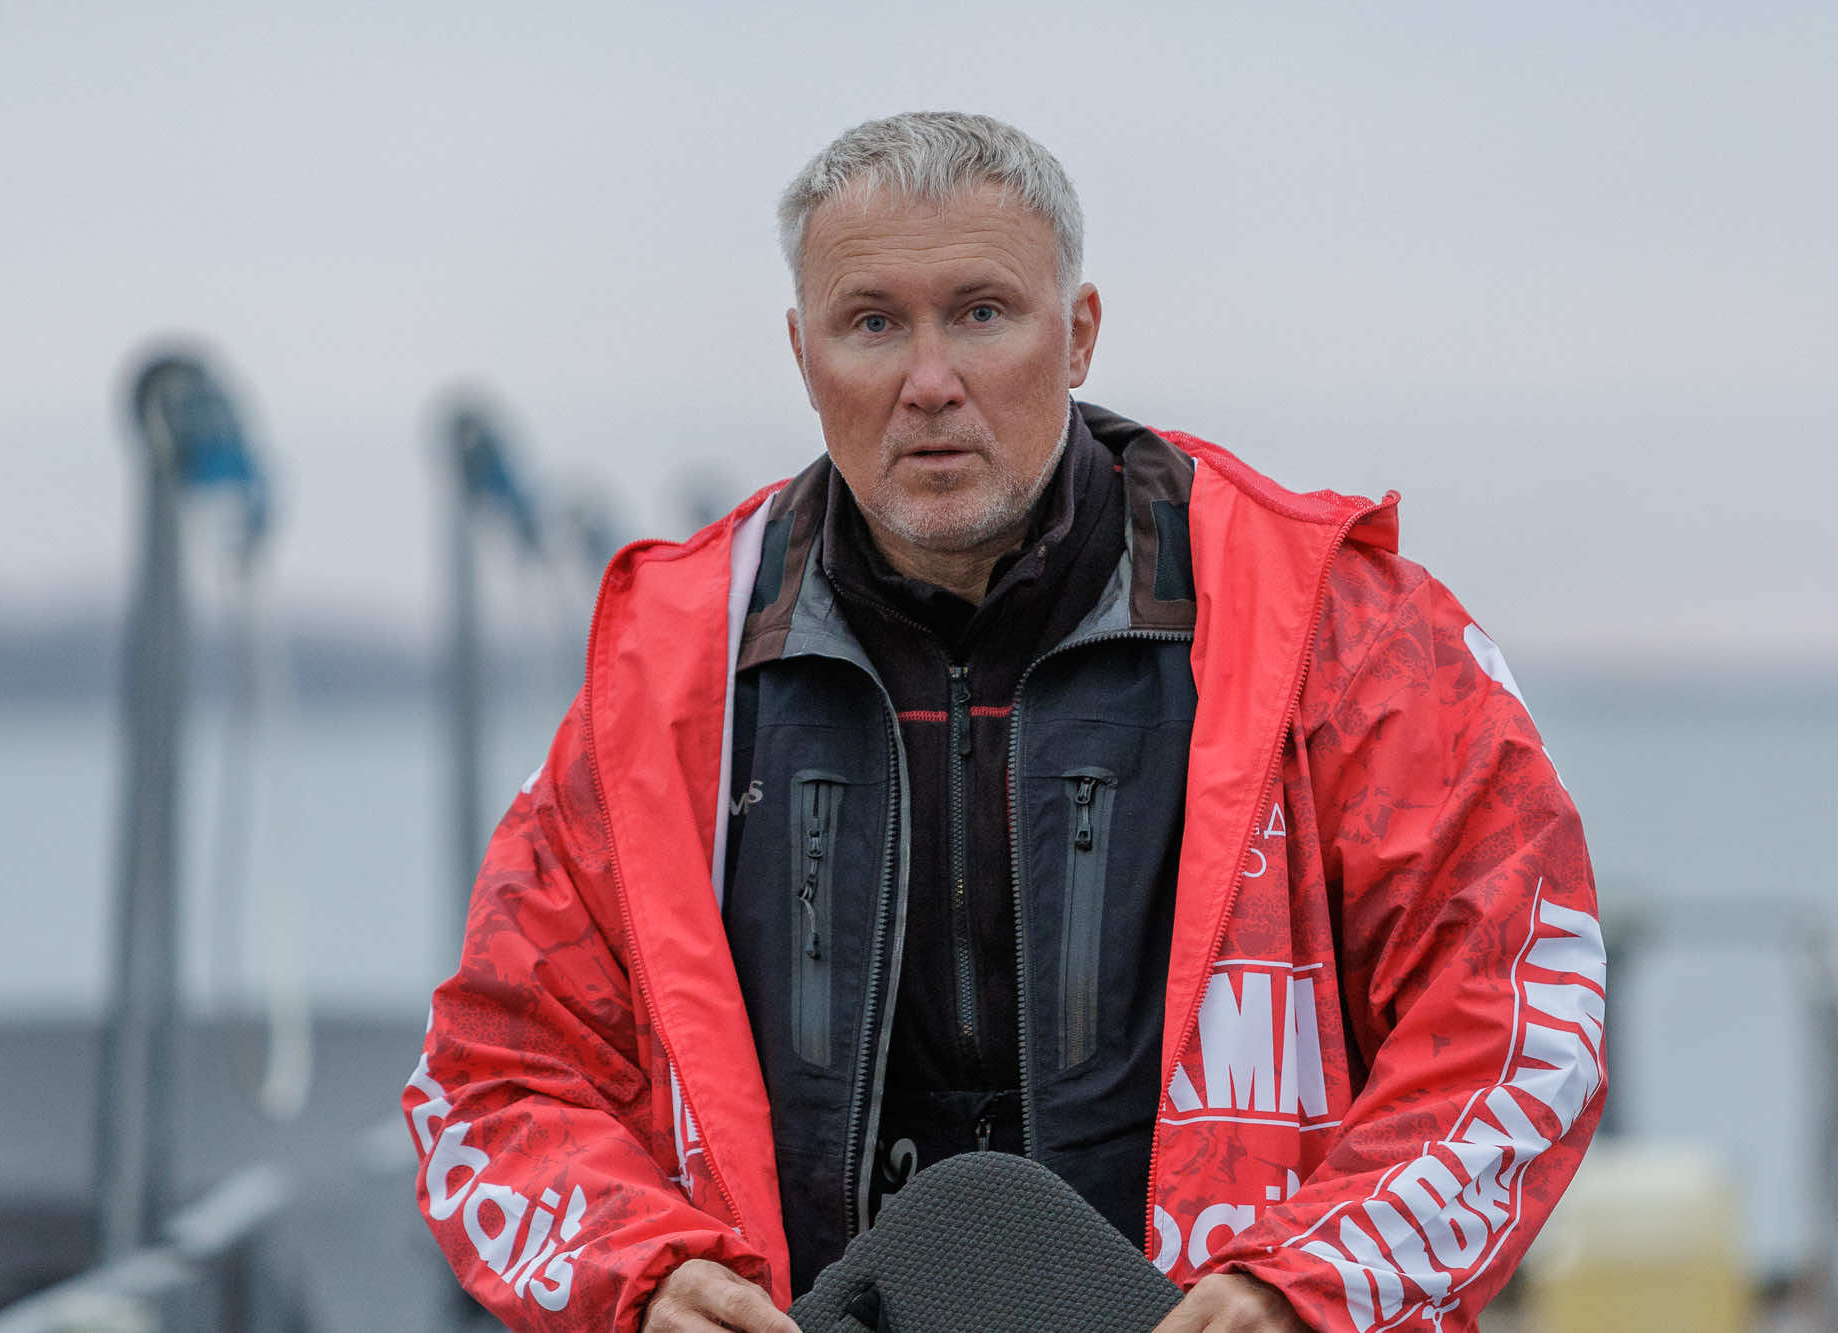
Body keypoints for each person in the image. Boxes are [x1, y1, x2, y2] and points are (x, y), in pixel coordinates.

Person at [403, 112, 1605, 1333]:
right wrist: (643, 1273)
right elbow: (495, 1069)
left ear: (1077, 333)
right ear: (802, 355)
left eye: (980, 313)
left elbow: (1521, 1006)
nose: (929, 381)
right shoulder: (669, 673)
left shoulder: (1337, 631)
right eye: (872, 323)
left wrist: (1306, 1285)